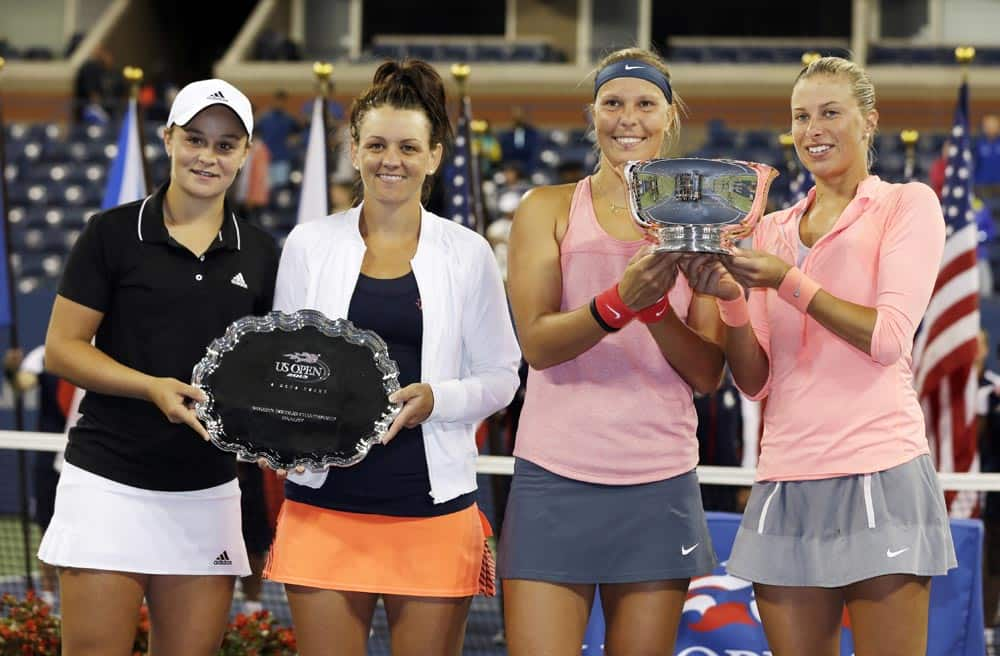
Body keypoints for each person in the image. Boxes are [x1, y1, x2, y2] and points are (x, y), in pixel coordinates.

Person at [682, 56, 956, 655]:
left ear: (869, 122)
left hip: (880, 469)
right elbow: (754, 382)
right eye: (801, 117)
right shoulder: (771, 228)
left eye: (831, 113)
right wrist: (731, 301)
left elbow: (887, 338)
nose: (813, 129)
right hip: (786, 479)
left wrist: (787, 282)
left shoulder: (907, 205)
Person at [261, 59, 521, 656]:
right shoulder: (307, 245)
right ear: (353, 149)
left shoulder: (469, 252)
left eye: (408, 146)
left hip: (432, 509)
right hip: (322, 506)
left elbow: (502, 377)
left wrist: (438, 399)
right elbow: (282, 370)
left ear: (434, 156)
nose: (390, 160)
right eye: (375, 144)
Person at [38, 78, 280, 655]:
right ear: (168, 138)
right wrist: (151, 388)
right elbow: (63, 348)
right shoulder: (112, 233)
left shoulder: (266, 253)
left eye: (225, 145)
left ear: (245, 155)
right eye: (195, 138)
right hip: (106, 482)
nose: (208, 156)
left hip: (209, 490)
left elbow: (273, 369)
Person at [498, 47, 724, 655]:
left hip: (659, 478)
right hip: (554, 472)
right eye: (613, 103)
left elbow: (706, 372)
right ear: (591, 114)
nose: (629, 118)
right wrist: (619, 302)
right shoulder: (545, 208)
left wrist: (652, 310)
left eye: (646, 104)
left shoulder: (703, 219)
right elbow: (539, 346)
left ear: (669, 115)